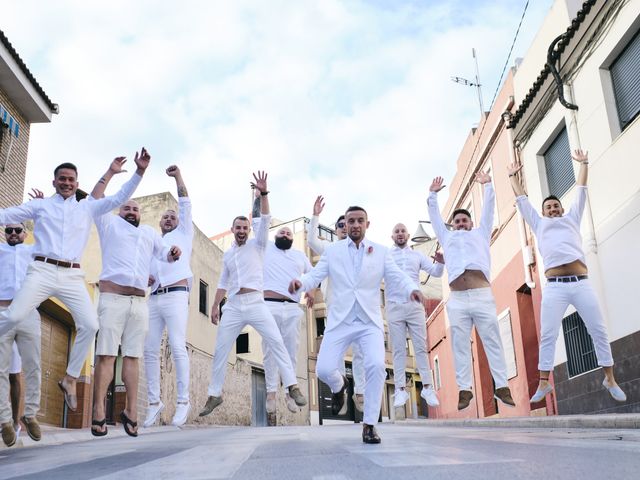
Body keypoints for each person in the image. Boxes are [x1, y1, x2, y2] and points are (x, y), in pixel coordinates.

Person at [0, 152, 149, 414]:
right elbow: (8, 214)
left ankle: (69, 379)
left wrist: (138, 172)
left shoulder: (88, 206)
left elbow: (119, 198)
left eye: (71, 179)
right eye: (62, 179)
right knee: (13, 316)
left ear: (77, 183)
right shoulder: (41, 206)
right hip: (42, 270)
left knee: (91, 325)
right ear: (55, 182)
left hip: (72, 275)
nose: (67, 182)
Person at [290, 206, 424, 444]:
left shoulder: (381, 252)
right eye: (350, 221)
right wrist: (299, 284)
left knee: (375, 366)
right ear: (345, 224)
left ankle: (370, 424)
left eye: (359, 221)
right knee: (323, 369)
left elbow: (396, 276)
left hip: (368, 321)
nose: (354, 225)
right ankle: (339, 385)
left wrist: (412, 289)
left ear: (367, 224)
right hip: (339, 320)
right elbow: (316, 275)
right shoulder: (333, 251)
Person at [508, 150, 626, 403]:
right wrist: (511, 176)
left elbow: (582, 188)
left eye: (555, 206)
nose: (552, 209)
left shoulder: (572, 217)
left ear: (561, 208)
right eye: (547, 207)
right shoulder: (538, 224)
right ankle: (543, 384)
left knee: (598, 330)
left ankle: (610, 378)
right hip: (554, 287)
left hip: (581, 284)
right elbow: (521, 200)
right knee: (549, 333)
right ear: (543, 211)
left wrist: (584, 163)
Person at [199, 172, 307, 417]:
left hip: (257, 303)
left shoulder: (258, 245)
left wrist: (263, 194)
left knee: (276, 342)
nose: (241, 230)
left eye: (245, 227)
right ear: (232, 229)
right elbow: (223, 281)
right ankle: (214, 394)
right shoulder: (227, 255)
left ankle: (292, 385)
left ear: (249, 229)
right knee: (221, 348)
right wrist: (215, 305)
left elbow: (265, 219)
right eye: (238, 227)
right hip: (234, 306)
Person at [89, 158, 182, 437]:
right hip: (112, 299)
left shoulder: (149, 233)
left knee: (132, 357)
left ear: (141, 215)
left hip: (139, 303)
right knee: (106, 354)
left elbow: (164, 253)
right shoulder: (109, 225)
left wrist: (173, 253)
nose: (131, 210)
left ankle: (130, 412)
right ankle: (98, 411)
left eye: (135, 208)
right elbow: (96, 197)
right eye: (126, 207)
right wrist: (113, 173)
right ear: (118, 212)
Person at [427, 172, 515, 411]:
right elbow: (434, 218)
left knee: (492, 340)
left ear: (471, 223)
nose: (461, 224)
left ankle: (502, 386)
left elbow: (489, 210)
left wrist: (488, 185)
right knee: (459, 344)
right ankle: (465, 389)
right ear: (453, 225)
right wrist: (432, 194)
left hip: (481, 294)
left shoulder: (481, 233)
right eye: (457, 222)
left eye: (465, 221)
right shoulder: (447, 238)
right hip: (457, 299)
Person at [252, 196, 315, 416]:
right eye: (282, 232)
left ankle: (289, 391)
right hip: (268, 305)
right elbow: (258, 221)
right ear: (275, 235)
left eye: (289, 233)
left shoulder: (299, 256)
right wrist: (261, 196)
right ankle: (271, 392)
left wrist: (311, 292)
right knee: (270, 350)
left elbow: (314, 275)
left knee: (290, 352)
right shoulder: (265, 247)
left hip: (292, 308)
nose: (286, 234)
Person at [144, 165, 195, 428]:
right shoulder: (154, 243)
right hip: (154, 298)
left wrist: (178, 176)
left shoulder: (184, 233)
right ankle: (154, 403)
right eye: (165, 216)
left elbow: (185, 202)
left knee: (177, 346)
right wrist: (147, 278)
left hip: (176, 295)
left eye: (172, 216)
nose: (168, 218)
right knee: (149, 349)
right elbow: (145, 271)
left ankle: (183, 402)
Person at [306, 195, 365, 413]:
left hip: (360, 309)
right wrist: (315, 215)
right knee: (336, 352)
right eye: (339, 225)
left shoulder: (363, 249)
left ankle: (360, 390)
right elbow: (311, 241)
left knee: (360, 350)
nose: (343, 228)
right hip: (336, 309)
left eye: (346, 224)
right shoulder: (330, 249)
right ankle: (340, 386)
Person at [386, 223, 444, 409]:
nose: (400, 234)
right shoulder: (386, 256)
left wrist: (441, 262)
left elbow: (436, 272)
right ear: (392, 236)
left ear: (408, 235)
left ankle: (427, 387)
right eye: (397, 231)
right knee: (398, 350)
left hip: (415, 306)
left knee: (420, 347)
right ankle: (400, 389)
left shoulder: (417, 255)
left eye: (403, 231)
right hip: (394, 305)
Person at [0, 224, 41, 446]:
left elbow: (52, 238)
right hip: (2, 314)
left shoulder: (33, 251)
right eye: (9, 231)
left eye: (18, 230)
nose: (13, 234)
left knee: (24, 370)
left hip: (27, 314)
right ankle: (4, 422)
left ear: (26, 234)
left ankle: (22, 418)